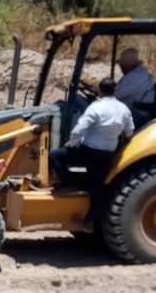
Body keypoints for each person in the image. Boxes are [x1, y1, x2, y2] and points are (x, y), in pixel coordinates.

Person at [49, 77, 134, 224]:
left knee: (55, 156)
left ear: (100, 90)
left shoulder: (96, 107)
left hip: (88, 152)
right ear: (115, 90)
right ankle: (90, 219)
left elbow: (79, 129)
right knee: (98, 186)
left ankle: (67, 183)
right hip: (107, 154)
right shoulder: (124, 109)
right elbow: (129, 131)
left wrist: (72, 142)